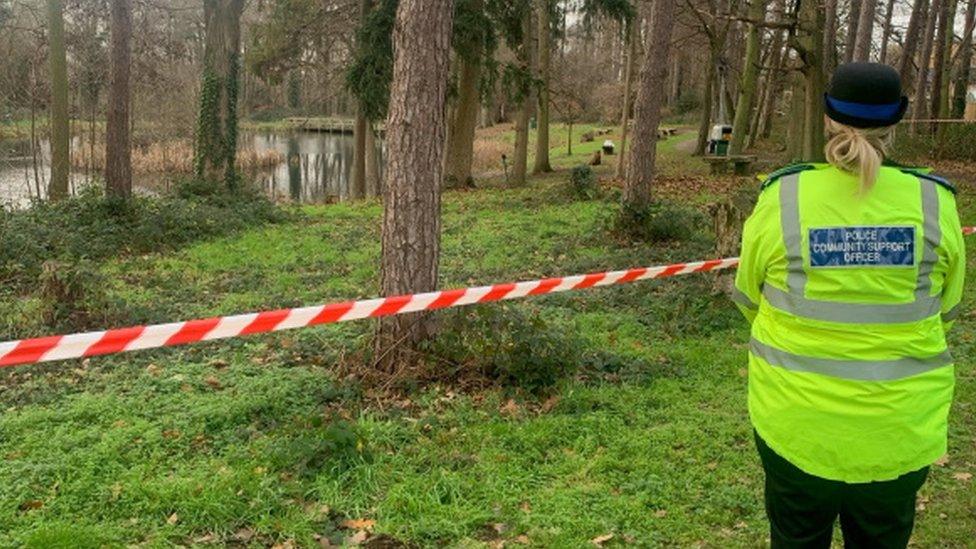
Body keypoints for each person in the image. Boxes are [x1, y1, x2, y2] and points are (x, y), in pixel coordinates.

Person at [733, 62, 966, 548]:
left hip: (795, 424)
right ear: (896, 120)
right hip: (899, 429)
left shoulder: (782, 195)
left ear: (827, 117)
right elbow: (948, 305)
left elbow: (748, 299)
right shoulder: (935, 202)